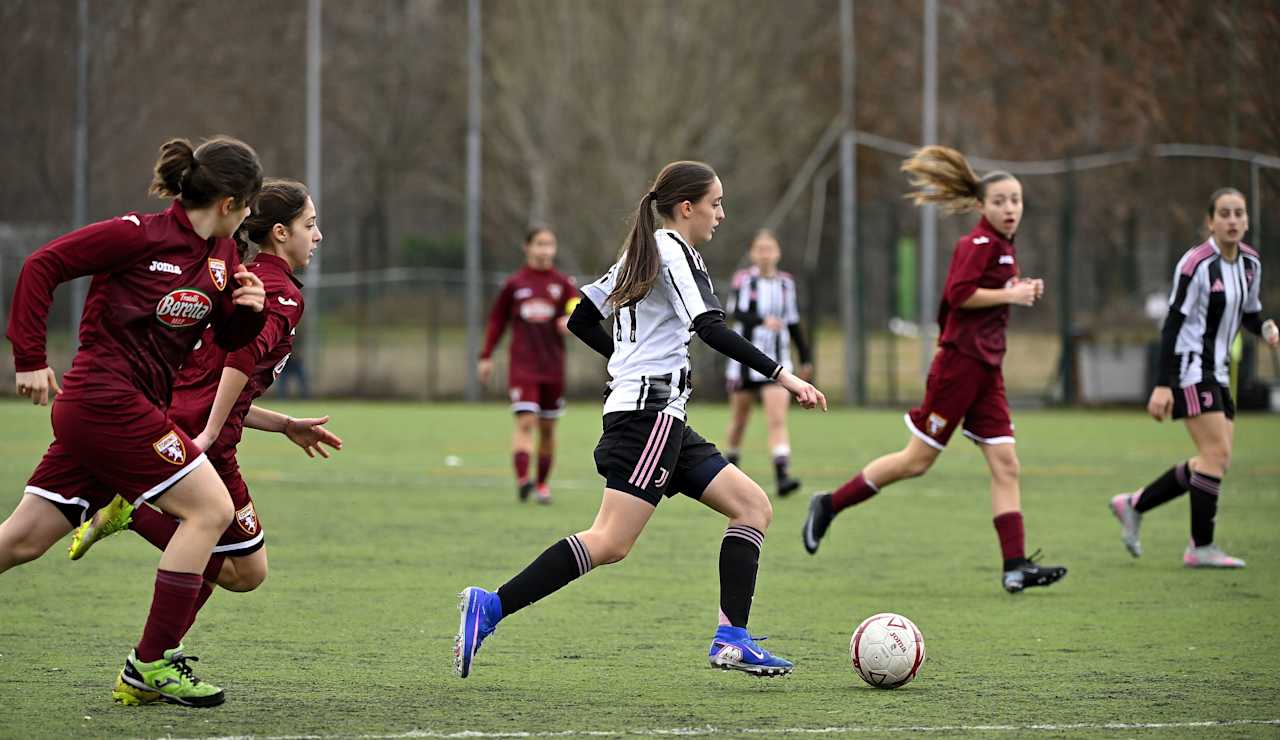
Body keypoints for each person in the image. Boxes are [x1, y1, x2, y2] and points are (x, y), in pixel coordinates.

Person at [455, 161, 826, 679]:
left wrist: (622, 362)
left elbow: (582, 317)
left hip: (659, 415)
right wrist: (783, 375)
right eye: (716, 203)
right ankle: (490, 607)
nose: (722, 214)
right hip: (648, 418)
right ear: (686, 207)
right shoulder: (674, 254)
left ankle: (732, 639)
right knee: (610, 541)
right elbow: (712, 328)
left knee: (751, 506)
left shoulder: (644, 250)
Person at [0, 137, 266, 707]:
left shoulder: (222, 258)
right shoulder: (137, 234)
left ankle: (149, 663)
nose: (248, 219)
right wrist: (28, 357)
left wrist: (250, 312)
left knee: (21, 541)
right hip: (103, 401)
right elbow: (42, 264)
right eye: (248, 207)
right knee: (212, 510)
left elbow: (222, 339)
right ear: (227, 202)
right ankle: (149, 665)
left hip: (124, 413)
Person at [64, 179, 343, 706]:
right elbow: (237, 362)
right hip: (203, 440)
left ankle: (146, 665)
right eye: (310, 225)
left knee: (212, 560)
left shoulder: (248, 278)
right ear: (280, 233)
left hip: (189, 425)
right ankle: (132, 515)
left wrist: (283, 424)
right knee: (246, 571)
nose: (319, 236)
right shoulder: (276, 291)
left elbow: (217, 376)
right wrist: (211, 435)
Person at [801, 145, 1067, 595]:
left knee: (1006, 465)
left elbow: (986, 294)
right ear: (982, 206)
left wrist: (1014, 288)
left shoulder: (1003, 248)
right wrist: (1011, 295)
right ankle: (829, 504)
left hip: (987, 372)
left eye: (1016, 200)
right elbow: (960, 294)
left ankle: (1015, 565)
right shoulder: (977, 243)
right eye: (1000, 200)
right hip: (959, 367)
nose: (1009, 208)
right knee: (916, 461)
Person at [1110, 188, 1276, 568]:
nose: (1232, 220)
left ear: (1247, 221)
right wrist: (1163, 383)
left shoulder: (1251, 263)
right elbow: (1172, 324)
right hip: (1190, 366)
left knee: (1214, 459)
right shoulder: (1195, 264)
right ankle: (1200, 548)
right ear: (1210, 222)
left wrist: (1265, 328)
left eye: (1239, 213)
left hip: (1217, 370)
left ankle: (1134, 504)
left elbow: (1250, 312)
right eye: (1224, 213)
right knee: (1216, 456)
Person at [477, 227, 578, 504]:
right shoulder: (515, 284)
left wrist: (570, 320)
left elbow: (576, 306)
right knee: (526, 421)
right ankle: (524, 480)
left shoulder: (562, 283)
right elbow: (497, 321)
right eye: (540, 244)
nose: (545, 250)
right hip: (523, 366)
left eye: (550, 244)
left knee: (547, 428)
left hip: (553, 366)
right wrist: (486, 356)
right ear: (527, 247)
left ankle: (542, 485)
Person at [722, 229, 813, 497]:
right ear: (752, 253)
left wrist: (805, 357)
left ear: (778, 252)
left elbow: (794, 322)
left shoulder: (786, 284)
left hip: (778, 361)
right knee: (740, 420)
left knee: (777, 419)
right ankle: (730, 468)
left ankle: (782, 475)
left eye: (769, 248)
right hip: (744, 361)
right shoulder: (743, 281)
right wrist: (762, 321)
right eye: (760, 249)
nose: (765, 254)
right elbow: (735, 312)